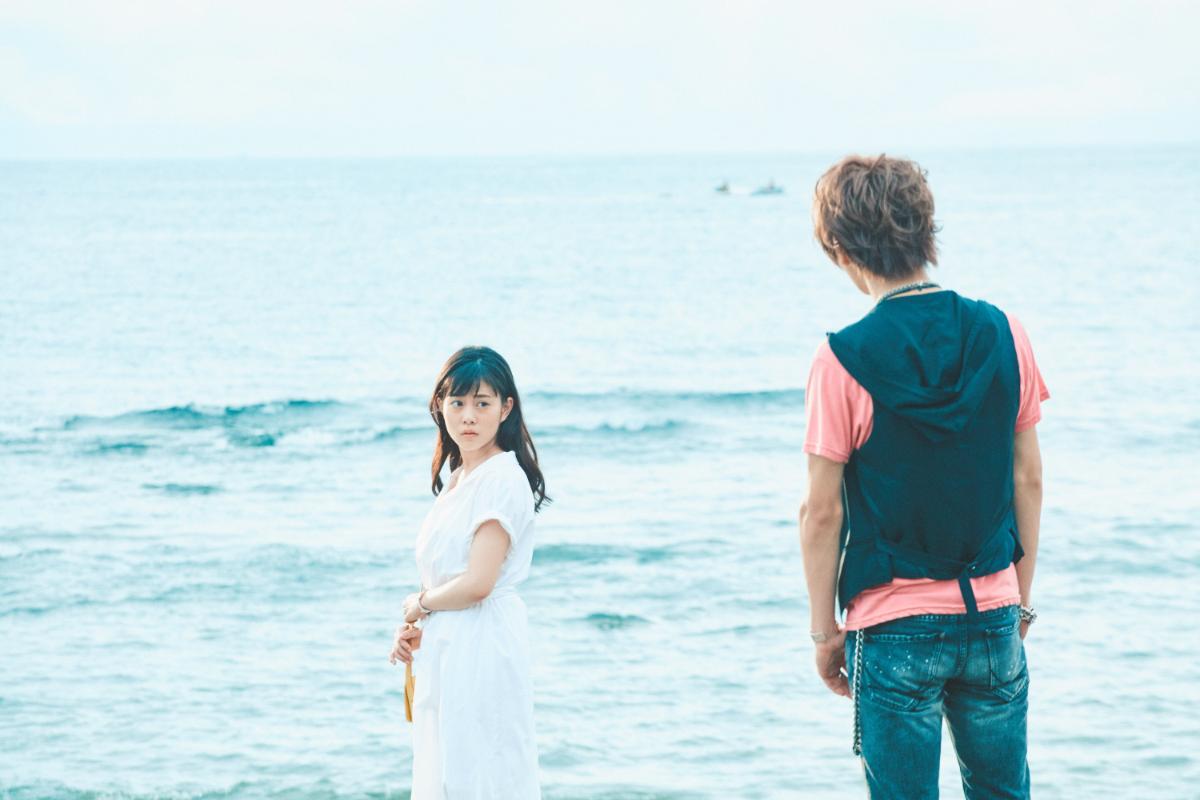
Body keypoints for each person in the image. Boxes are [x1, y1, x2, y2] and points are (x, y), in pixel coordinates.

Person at [798, 155, 1048, 799]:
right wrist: (1018, 598)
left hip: (892, 623)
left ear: (839, 247)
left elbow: (821, 513)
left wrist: (825, 634)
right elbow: (1027, 478)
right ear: (925, 228)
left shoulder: (841, 360)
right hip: (992, 611)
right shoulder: (1005, 332)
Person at [389, 346, 548, 799]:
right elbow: (448, 576)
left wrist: (420, 604)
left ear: (506, 407)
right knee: (449, 771)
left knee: (482, 773)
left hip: (483, 645)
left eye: (482, 403)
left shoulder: (501, 478)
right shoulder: (460, 477)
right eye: (457, 403)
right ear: (440, 406)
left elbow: (479, 584)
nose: (469, 416)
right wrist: (419, 627)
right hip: (452, 643)